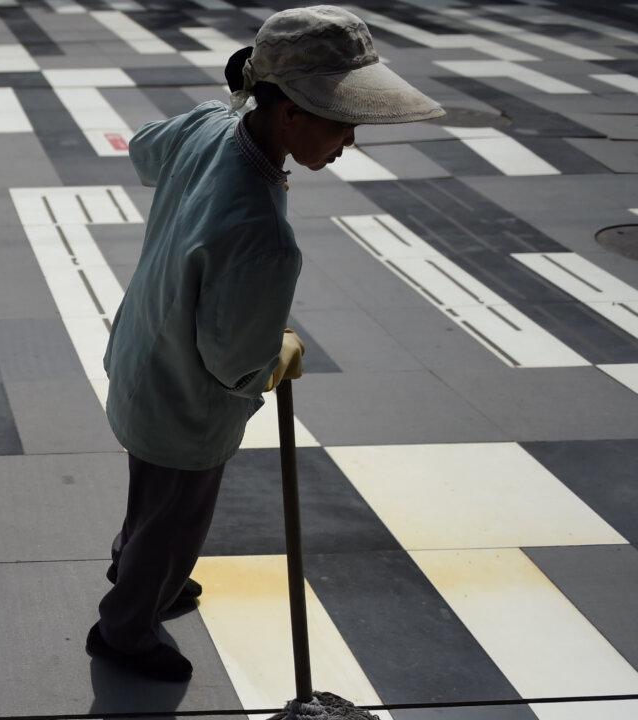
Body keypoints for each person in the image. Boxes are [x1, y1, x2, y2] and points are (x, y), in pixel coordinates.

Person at [84, 5, 445, 683]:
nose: (348, 142)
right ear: (290, 115)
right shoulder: (262, 238)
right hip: (188, 401)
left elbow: (143, 149)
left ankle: (141, 571)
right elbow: (234, 364)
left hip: (142, 356)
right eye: (340, 123)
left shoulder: (209, 126)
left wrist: (223, 106)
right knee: (178, 517)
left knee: (149, 493)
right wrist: (278, 353)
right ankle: (127, 626)